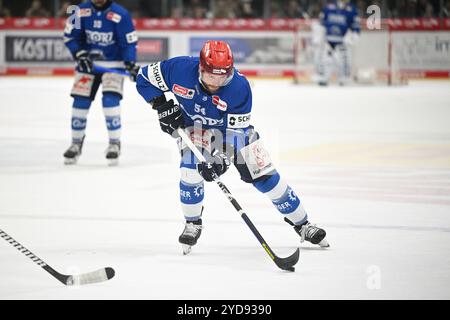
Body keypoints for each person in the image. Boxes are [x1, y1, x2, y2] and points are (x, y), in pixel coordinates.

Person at [135, 40, 329, 254]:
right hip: (195, 128)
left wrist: (220, 160)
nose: (217, 81)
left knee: (266, 178)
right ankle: (193, 223)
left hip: (232, 132)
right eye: (211, 75)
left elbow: (236, 133)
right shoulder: (178, 68)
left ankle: (303, 224)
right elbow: (143, 77)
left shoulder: (239, 87)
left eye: (223, 75)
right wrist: (161, 105)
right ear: (200, 68)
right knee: (190, 169)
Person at [63, 0, 140, 165]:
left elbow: (129, 42)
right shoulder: (78, 11)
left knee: (110, 101)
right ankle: (76, 143)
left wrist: (130, 62)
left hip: (114, 65)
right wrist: (79, 54)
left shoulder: (121, 14)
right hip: (88, 65)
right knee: (80, 102)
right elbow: (70, 36)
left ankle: (114, 143)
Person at [316, 0, 360, 86]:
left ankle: (344, 78)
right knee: (326, 60)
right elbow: (321, 23)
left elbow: (355, 26)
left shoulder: (352, 9)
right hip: (328, 40)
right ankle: (324, 77)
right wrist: (318, 35)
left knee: (343, 60)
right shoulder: (329, 6)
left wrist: (353, 36)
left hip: (343, 41)